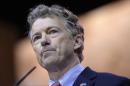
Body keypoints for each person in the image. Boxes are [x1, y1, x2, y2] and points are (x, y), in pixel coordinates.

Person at [27, 4, 130, 86]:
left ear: (77, 42)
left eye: (52, 31)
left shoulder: (113, 84)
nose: (43, 41)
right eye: (37, 37)